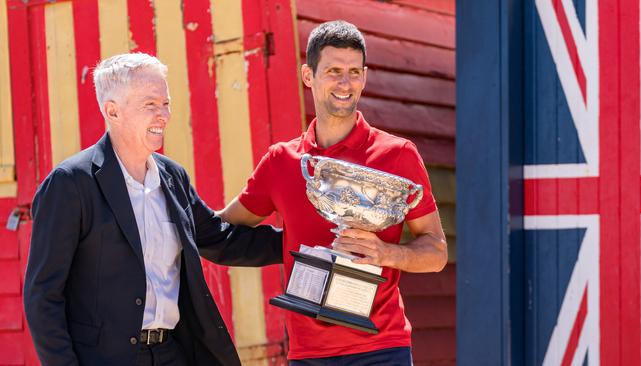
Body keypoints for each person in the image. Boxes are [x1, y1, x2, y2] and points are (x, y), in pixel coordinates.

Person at [23, 53, 283, 366]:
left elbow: (221, 239)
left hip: (171, 353)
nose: (164, 115)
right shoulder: (71, 183)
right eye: (150, 105)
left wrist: (300, 242)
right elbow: (42, 296)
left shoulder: (173, 177)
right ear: (113, 111)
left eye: (166, 103)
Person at [219, 20, 448, 365]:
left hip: (381, 348)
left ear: (365, 77)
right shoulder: (282, 161)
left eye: (355, 72)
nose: (345, 83)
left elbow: (436, 252)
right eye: (334, 71)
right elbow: (225, 226)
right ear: (308, 75)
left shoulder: (398, 154)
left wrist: (386, 253)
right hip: (307, 354)